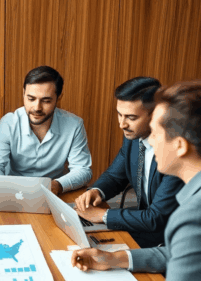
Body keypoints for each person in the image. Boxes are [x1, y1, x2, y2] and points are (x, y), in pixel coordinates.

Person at [61, 80, 201, 281]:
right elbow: (182, 252)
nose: (150, 142)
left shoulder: (191, 217)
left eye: (157, 133)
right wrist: (116, 258)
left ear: (181, 146)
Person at [74, 77, 183, 248]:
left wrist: (103, 216)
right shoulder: (133, 137)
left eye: (131, 117)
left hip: (168, 238)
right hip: (143, 223)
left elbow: (157, 218)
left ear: (155, 114)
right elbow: (115, 176)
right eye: (119, 114)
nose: (122, 124)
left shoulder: (173, 152)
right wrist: (97, 191)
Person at [0, 65, 92, 195]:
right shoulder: (9, 123)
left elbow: (83, 169)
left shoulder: (74, 125)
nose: (37, 108)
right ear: (23, 93)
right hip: (13, 193)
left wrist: (58, 185)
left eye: (46, 101)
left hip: (52, 193)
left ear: (59, 97)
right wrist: (1, 187)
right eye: (31, 99)